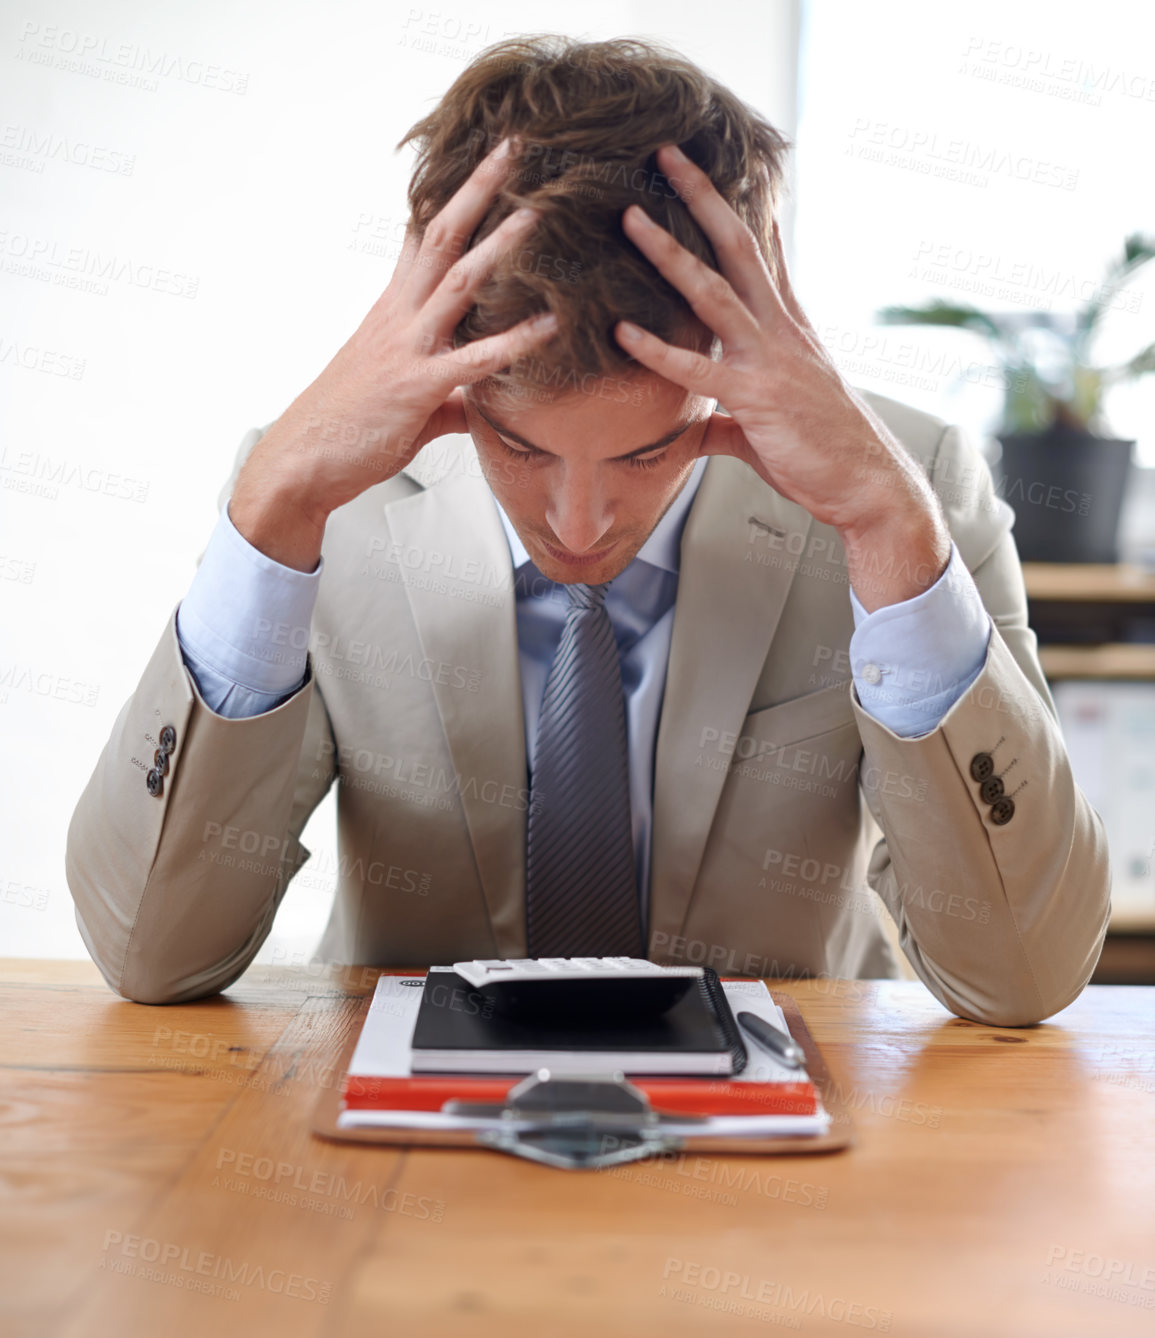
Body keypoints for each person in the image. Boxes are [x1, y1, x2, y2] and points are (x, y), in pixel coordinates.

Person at [66, 34, 1109, 1024]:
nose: (576, 523)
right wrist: (268, 517)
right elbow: (151, 952)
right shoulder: (321, 495)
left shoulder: (906, 487)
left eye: (647, 453)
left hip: (793, 1171)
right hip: (403, 1172)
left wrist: (889, 532)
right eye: (519, 449)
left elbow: (1023, 975)